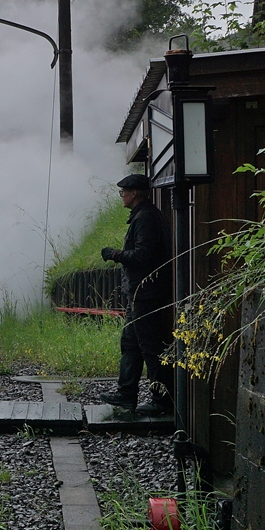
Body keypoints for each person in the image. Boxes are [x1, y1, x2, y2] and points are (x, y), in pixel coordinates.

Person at [98, 173, 175, 416]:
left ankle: (161, 401)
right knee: (130, 343)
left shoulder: (145, 218)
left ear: (134, 193)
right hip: (140, 294)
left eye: (123, 192)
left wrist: (115, 254)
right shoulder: (144, 216)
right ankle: (126, 394)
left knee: (150, 347)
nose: (122, 196)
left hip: (146, 294)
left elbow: (142, 256)